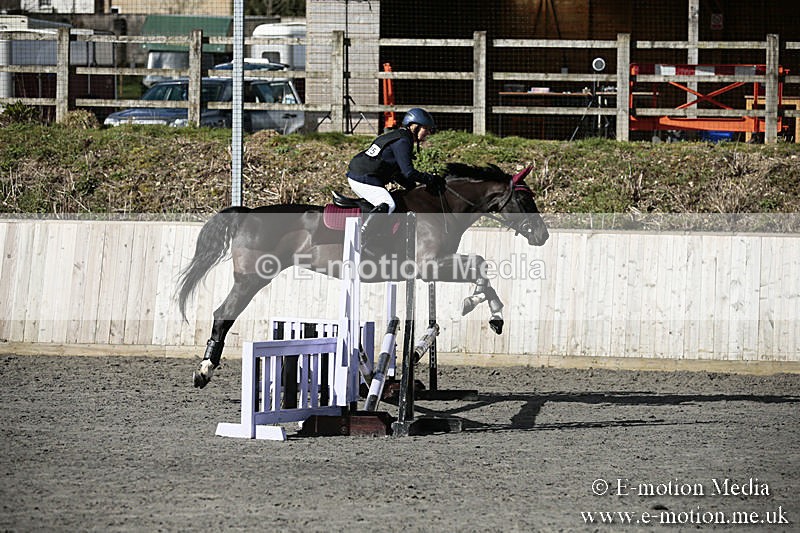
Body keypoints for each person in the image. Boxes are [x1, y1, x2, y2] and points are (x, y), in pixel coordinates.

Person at [347, 107, 445, 246]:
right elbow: (408, 173)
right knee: (388, 204)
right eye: (426, 129)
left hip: (364, 173)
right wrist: (430, 179)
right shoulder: (403, 141)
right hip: (362, 177)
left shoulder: (401, 136)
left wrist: (414, 188)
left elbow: (397, 173)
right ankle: (362, 236)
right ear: (414, 126)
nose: (428, 133)